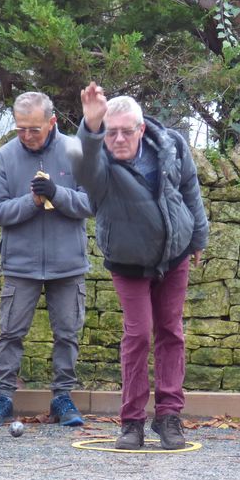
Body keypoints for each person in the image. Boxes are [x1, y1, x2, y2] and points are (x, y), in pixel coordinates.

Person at [73, 83, 208, 450]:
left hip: (173, 254)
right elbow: (83, 171)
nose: (118, 138)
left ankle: (169, 418)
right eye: (111, 131)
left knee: (171, 332)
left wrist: (198, 237)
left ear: (141, 129)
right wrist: (90, 124)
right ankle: (131, 422)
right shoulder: (98, 161)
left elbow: (189, 189)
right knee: (138, 335)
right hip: (128, 260)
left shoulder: (171, 144)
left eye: (125, 131)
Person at [0, 92, 94, 428]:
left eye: (35, 129)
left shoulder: (75, 151)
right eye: (21, 129)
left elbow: (91, 203)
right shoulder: (4, 157)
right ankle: (3, 398)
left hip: (67, 263)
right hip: (21, 264)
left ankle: (63, 398)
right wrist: (31, 201)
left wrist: (56, 194)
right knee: (10, 333)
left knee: (68, 333)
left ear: (52, 121)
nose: (27, 135)